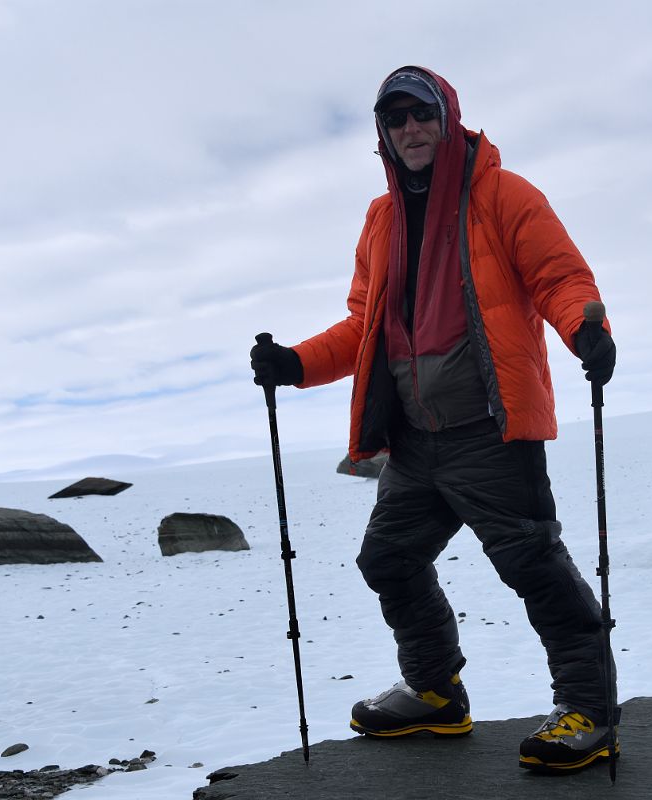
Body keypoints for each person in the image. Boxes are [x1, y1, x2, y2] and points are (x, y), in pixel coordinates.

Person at [250, 65, 618, 774]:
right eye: (396, 120)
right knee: (387, 558)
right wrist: (295, 364)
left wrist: (585, 332)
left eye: (420, 114)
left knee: (533, 567)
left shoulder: (504, 195)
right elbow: (365, 325)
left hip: (488, 429)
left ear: (445, 117)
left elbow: (560, 279)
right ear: (383, 135)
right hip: (414, 440)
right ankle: (436, 690)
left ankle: (589, 711)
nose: (410, 129)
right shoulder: (381, 218)